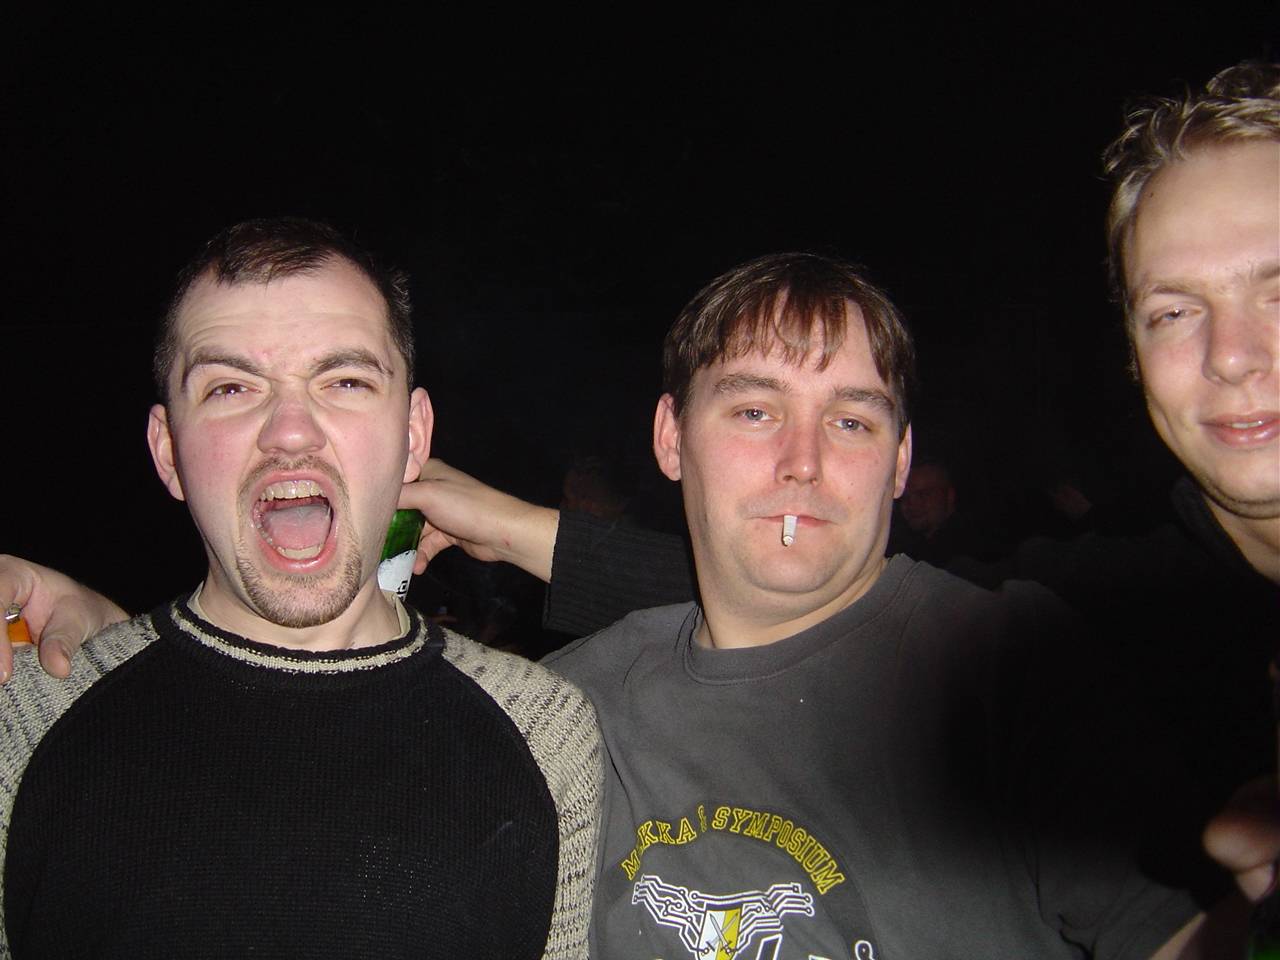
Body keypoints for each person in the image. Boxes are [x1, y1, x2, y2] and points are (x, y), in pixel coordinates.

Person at [0, 219, 601, 958]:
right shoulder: (27, 718)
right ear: (169, 452)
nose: (290, 431)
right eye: (231, 387)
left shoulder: (544, 731)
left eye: (344, 381)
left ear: (414, 435)